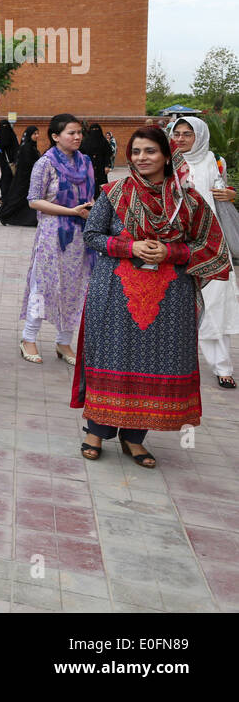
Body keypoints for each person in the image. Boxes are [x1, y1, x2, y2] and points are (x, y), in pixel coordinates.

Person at [74, 126, 231, 466]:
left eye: (150, 152)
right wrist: (130, 246)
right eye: (136, 152)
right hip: (116, 292)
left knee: (154, 361)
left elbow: (210, 245)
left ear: (167, 156)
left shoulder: (188, 200)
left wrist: (171, 252)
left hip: (169, 299)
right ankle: (95, 432)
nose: (141, 158)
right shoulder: (114, 192)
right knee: (112, 358)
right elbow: (92, 235)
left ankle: (135, 437)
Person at [18, 115, 95, 364]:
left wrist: (88, 209)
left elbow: (91, 195)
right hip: (53, 235)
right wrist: (71, 211)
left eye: (79, 132)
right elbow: (33, 200)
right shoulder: (45, 163)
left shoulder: (86, 163)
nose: (77, 137)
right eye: (71, 133)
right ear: (55, 136)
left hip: (80, 237)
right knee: (43, 285)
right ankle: (28, 338)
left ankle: (64, 343)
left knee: (76, 288)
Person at [170, 118, 239, 389]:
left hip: (212, 243)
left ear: (199, 136)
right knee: (173, 302)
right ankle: (173, 365)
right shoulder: (166, 162)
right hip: (177, 242)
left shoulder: (214, 160)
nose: (182, 139)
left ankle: (223, 366)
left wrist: (230, 194)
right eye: (177, 133)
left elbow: (223, 191)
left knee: (216, 303)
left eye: (188, 134)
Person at [0, 125, 41, 227]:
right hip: (24, 179)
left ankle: (28, 219)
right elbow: (27, 163)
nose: (37, 136)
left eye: (37, 133)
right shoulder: (26, 147)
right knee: (16, 199)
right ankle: (3, 215)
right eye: (35, 134)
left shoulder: (32, 146)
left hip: (29, 179)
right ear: (29, 135)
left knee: (25, 200)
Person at [0, 119, 20, 198]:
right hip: (4, 162)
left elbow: (16, 149)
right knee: (5, 180)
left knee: (7, 180)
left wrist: (15, 160)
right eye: (2, 126)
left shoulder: (12, 136)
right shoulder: (0, 136)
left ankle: (6, 197)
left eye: (5, 126)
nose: (4, 129)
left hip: (11, 162)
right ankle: (5, 197)